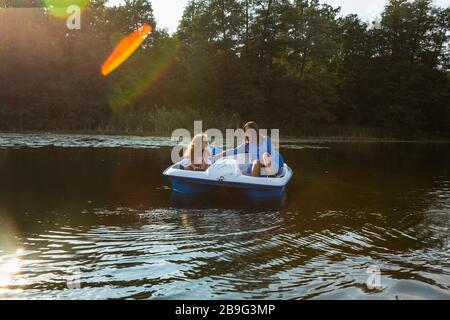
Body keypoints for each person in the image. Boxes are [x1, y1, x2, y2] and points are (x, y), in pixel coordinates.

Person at [213, 121, 284, 177]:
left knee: (265, 155)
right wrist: (217, 156)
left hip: (270, 166)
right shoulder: (248, 145)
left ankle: (272, 178)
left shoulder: (267, 140)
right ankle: (254, 184)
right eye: (247, 132)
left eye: (251, 131)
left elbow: (273, 155)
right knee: (256, 162)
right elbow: (233, 151)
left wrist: (265, 162)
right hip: (255, 167)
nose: (249, 134)